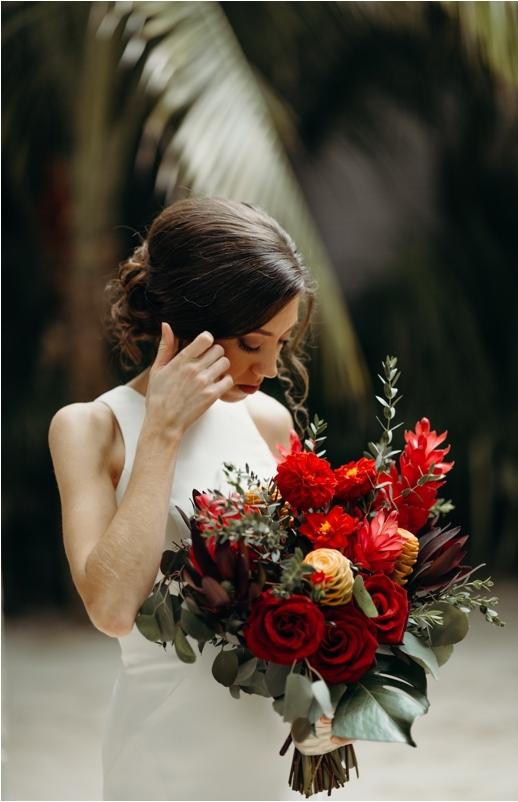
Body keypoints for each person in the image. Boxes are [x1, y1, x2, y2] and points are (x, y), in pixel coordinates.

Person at [49, 197, 348, 800]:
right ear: (184, 322)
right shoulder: (90, 428)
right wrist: (161, 430)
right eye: (251, 343)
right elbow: (111, 608)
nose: (267, 367)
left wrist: (341, 683)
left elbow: (317, 581)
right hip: (165, 761)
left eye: (281, 344)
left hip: (276, 752)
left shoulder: (267, 420)